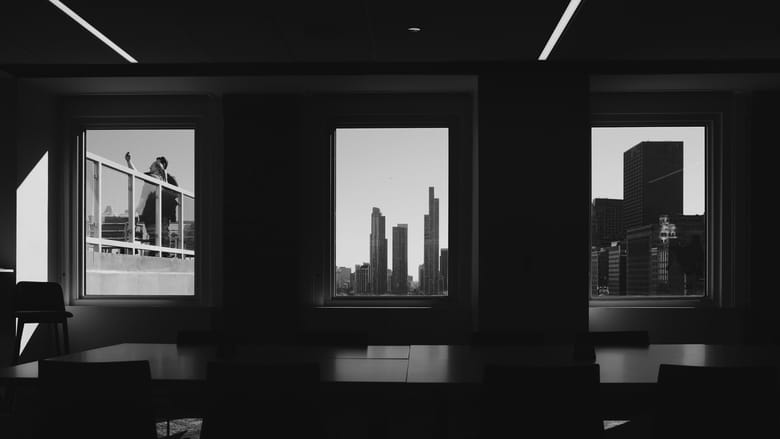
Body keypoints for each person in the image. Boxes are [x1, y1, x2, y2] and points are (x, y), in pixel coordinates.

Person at [126, 152, 179, 249]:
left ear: (160, 167)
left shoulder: (167, 179)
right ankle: (158, 255)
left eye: (154, 164)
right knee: (156, 238)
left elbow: (176, 193)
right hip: (151, 214)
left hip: (161, 214)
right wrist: (129, 162)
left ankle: (162, 255)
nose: (150, 166)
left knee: (161, 238)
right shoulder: (151, 178)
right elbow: (136, 175)